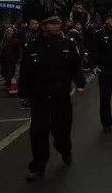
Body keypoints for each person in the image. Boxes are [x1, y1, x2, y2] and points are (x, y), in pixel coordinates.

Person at [19, 14, 86, 182]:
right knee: (38, 133)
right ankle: (37, 166)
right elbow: (25, 72)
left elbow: (76, 67)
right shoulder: (32, 46)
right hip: (39, 97)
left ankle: (64, 149)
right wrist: (24, 94)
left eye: (58, 23)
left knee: (61, 130)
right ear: (43, 25)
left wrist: (80, 84)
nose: (57, 25)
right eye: (53, 23)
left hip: (60, 96)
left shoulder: (68, 45)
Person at [0, 26, 21, 93]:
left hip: (11, 60)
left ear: (12, 33)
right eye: (8, 32)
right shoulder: (4, 40)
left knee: (10, 73)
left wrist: (15, 58)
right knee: (3, 72)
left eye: (10, 32)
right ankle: (8, 82)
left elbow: (17, 51)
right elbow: (2, 50)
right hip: (4, 59)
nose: (9, 33)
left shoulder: (15, 41)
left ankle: (10, 85)